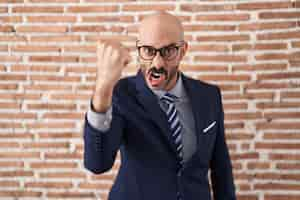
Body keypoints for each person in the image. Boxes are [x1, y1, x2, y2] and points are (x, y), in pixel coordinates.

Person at [83, 11, 236, 200]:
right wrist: (103, 88)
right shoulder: (120, 94)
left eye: (168, 51)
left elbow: (221, 168)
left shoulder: (209, 96)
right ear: (138, 50)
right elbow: (97, 164)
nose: (157, 63)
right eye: (148, 50)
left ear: (183, 51)